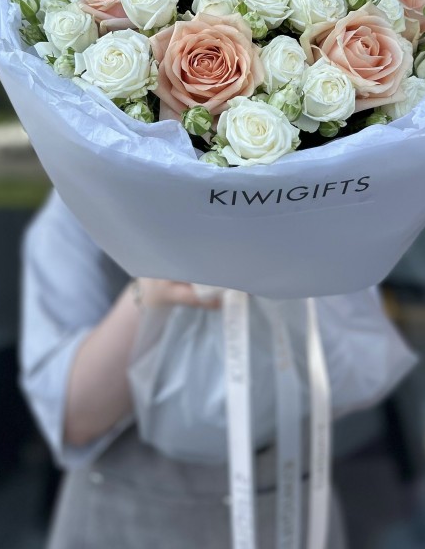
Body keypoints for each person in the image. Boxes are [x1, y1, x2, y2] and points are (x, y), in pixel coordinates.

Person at [20, 189, 348, 548]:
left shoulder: (313, 188)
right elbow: (75, 418)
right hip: (127, 515)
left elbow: (356, 362)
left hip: (285, 506)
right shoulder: (81, 196)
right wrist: (152, 292)